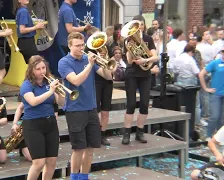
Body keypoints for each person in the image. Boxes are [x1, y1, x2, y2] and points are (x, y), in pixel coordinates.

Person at [58, 32, 113, 180]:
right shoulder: (64, 62)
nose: (81, 48)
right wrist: (90, 64)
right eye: (77, 46)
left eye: (82, 45)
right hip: (75, 110)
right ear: (70, 46)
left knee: (90, 148)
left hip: (91, 108)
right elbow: (76, 81)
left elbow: (107, 76)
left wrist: (106, 63)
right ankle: (74, 176)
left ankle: (84, 176)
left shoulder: (86, 59)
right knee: (78, 148)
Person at [19, 55, 62, 180]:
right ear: (31, 70)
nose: (42, 71)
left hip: (50, 123)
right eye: (38, 69)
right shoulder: (26, 85)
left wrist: (59, 92)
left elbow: (61, 103)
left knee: (52, 161)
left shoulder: (49, 81)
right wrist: (50, 91)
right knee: (38, 163)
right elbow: (32, 101)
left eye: (43, 68)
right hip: (33, 124)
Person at [121, 15, 158, 145]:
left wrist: (145, 60)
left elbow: (155, 57)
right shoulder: (128, 40)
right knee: (130, 104)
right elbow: (130, 61)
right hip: (132, 74)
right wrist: (131, 50)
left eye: (141, 25)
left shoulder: (148, 39)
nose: (139, 27)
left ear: (143, 26)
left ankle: (139, 132)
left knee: (144, 104)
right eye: (136, 25)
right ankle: (126, 133)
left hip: (145, 74)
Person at [198, 47, 224, 141]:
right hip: (216, 94)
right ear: (221, 52)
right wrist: (205, 88)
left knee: (222, 118)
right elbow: (201, 74)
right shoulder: (215, 63)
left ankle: (219, 138)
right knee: (214, 116)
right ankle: (209, 135)